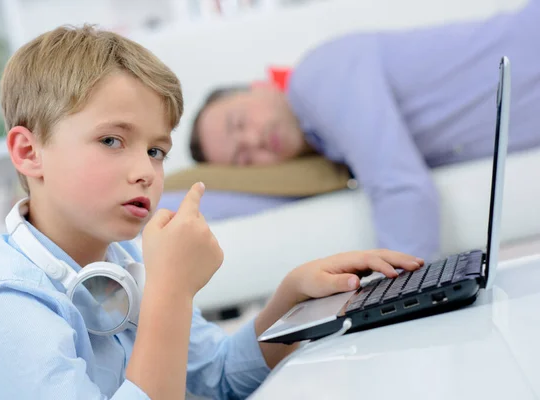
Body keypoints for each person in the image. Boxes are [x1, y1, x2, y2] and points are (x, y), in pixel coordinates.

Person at [0, 25, 424, 399]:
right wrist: (171, 291)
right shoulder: (4, 302)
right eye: (112, 140)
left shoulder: (123, 254)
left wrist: (293, 299)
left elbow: (218, 378)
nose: (146, 172)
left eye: (156, 151)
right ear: (28, 152)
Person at [189, 0, 540, 261]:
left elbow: (402, 189)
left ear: (258, 86)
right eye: (245, 158)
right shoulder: (331, 148)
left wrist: (395, 302)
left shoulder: (316, 79)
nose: (253, 140)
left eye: (239, 122)